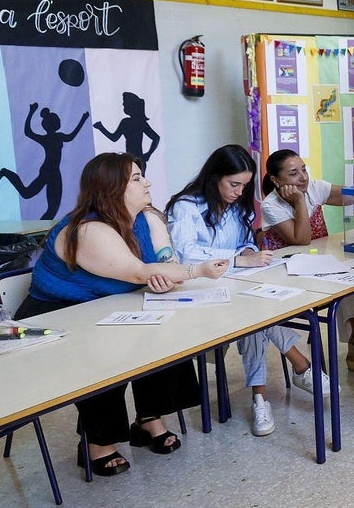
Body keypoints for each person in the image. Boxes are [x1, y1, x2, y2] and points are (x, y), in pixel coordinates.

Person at [15, 152, 229, 476]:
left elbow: (163, 262)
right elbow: (138, 271)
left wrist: (165, 276)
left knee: (166, 331)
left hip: (111, 303)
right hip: (56, 313)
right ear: (112, 188)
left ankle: (148, 418)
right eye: (137, 178)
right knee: (105, 350)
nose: (148, 183)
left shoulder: (149, 217)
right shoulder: (87, 230)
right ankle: (97, 442)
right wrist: (195, 270)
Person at [166, 145, 331, 438]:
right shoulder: (186, 206)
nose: (239, 192)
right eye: (234, 184)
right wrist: (237, 259)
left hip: (234, 286)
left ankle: (260, 398)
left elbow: (248, 243)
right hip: (195, 292)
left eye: (244, 186)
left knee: (257, 315)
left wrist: (247, 252)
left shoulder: (235, 206)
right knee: (255, 316)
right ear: (214, 177)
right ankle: (300, 365)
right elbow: (185, 255)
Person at [260, 149, 354, 374]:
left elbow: (353, 195)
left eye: (303, 169)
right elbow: (301, 240)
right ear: (275, 180)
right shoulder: (270, 205)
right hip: (288, 273)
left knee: (353, 280)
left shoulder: (314, 187)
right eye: (293, 173)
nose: (303, 177)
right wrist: (300, 202)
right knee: (343, 283)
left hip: (319, 263)